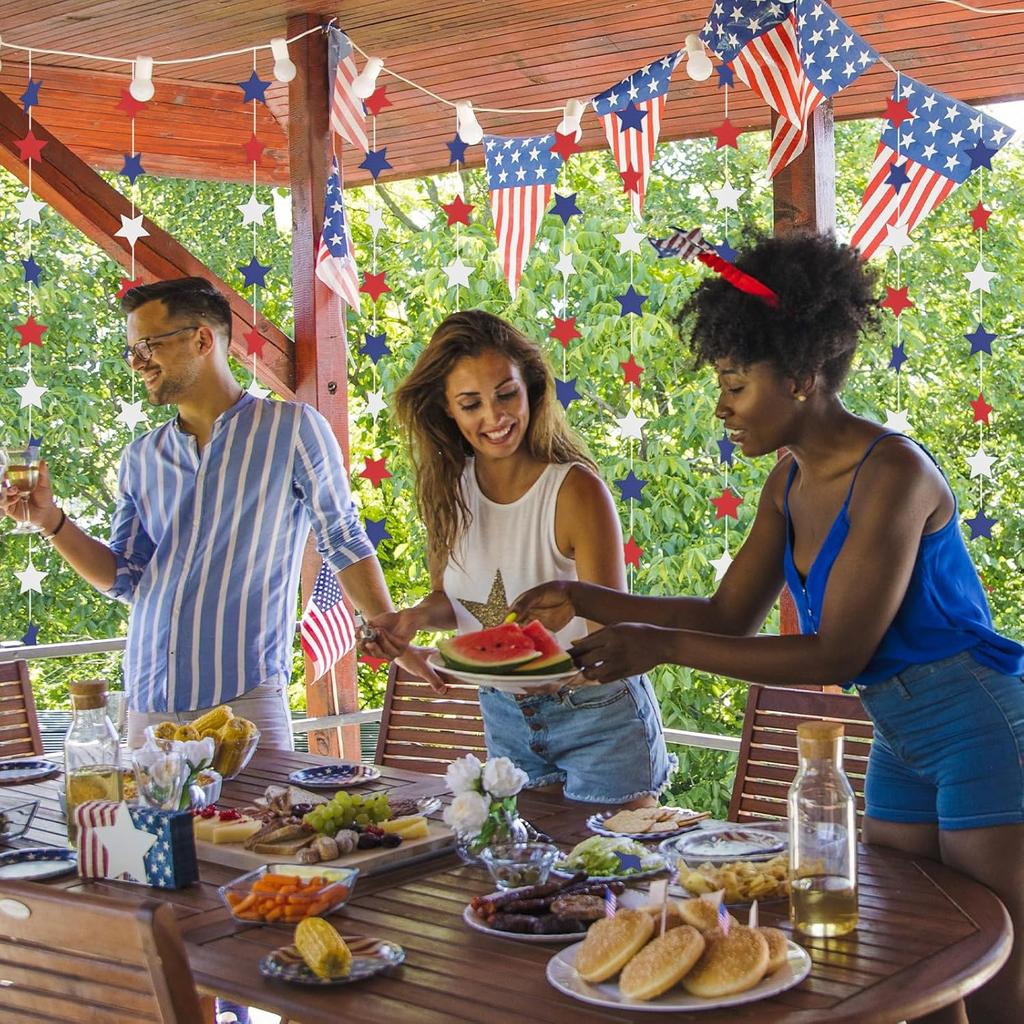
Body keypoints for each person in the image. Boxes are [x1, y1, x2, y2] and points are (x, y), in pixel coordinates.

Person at [511, 233, 1024, 1024]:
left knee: (990, 979)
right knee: (912, 957)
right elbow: (728, 615)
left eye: (735, 384)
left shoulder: (894, 472)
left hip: (977, 724)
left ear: (802, 377)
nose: (721, 405)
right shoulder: (786, 481)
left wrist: (660, 647)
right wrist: (591, 598)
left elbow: (838, 652)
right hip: (899, 735)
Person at [1, 276, 438, 750]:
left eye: (147, 346)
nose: (137, 362)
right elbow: (126, 578)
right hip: (147, 704)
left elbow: (343, 537)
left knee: (266, 806)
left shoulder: (292, 428)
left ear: (202, 340)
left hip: (244, 700)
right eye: (131, 351)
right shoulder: (140, 457)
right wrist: (50, 521)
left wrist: (390, 632)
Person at [361, 310, 674, 806]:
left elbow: (609, 628)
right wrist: (412, 619)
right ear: (447, 409)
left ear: (530, 388)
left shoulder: (576, 491)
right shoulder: (447, 492)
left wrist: (552, 670)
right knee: (523, 854)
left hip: (599, 713)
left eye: (506, 394)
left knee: (615, 854)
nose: (494, 417)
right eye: (471, 404)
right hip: (505, 717)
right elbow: (454, 599)